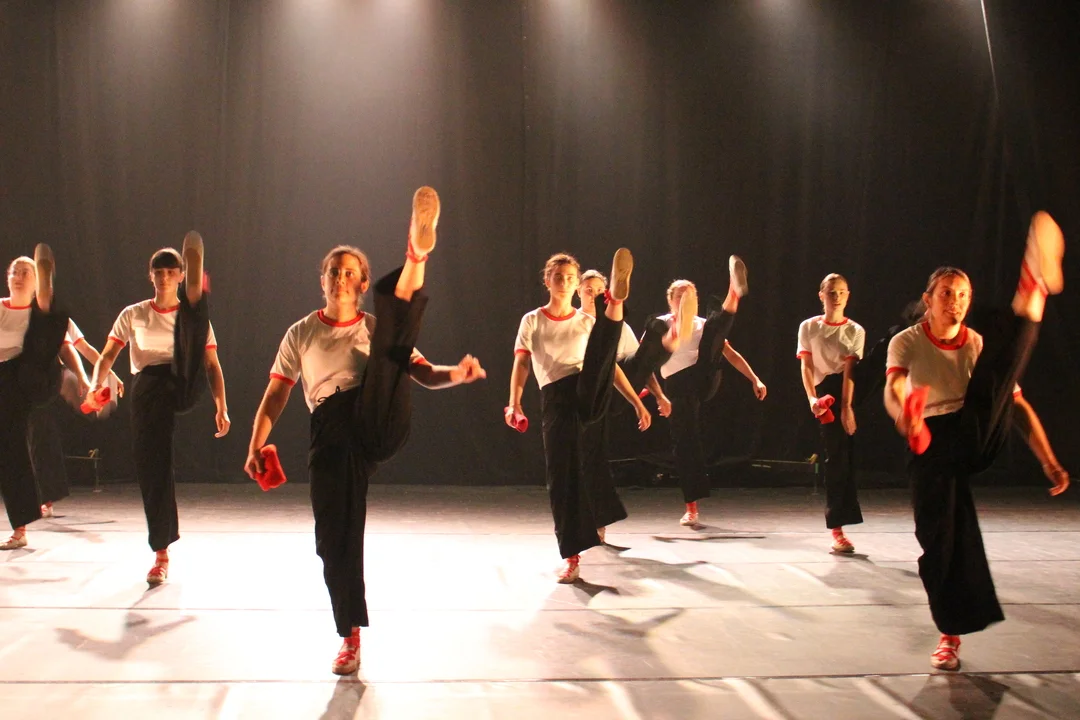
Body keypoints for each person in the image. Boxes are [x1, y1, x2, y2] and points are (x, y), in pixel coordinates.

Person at [244, 187, 486, 676]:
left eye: (350, 273)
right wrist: (256, 442)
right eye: (334, 271)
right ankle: (349, 636)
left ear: (361, 283)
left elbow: (421, 372)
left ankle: (416, 255)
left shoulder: (374, 327)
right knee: (333, 536)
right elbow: (276, 395)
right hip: (329, 429)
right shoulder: (300, 333)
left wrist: (456, 375)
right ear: (322, 281)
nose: (341, 278)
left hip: (376, 411)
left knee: (391, 338)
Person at [884, 211, 1069, 671]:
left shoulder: (976, 344)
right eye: (947, 293)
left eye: (964, 294)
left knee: (995, 370)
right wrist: (908, 417)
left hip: (974, 430)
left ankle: (1031, 294)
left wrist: (1047, 458)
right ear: (928, 299)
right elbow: (894, 388)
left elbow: (1015, 404)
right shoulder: (906, 342)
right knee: (940, 541)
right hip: (929, 444)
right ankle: (949, 635)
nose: (957, 301)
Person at [90, 233, 230, 584]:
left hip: (185, 377)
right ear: (150, 275)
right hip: (150, 385)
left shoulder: (193, 320)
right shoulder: (133, 314)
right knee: (152, 464)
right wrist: (95, 385)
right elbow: (108, 354)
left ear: (181, 276)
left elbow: (212, 365)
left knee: (192, 321)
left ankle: (197, 296)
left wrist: (221, 406)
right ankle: (161, 552)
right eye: (159, 272)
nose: (165, 277)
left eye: (172, 272)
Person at [507, 249, 644, 583]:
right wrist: (514, 403)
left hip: (588, 387)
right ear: (547, 281)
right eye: (558, 277)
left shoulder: (585, 321)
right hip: (556, 398)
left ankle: (616, 301)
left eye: (570, 278)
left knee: (603, 350)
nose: (564, 282)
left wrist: (636, 403)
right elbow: (522, 363)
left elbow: (607, 367)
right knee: (562, 476)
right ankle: (572, 557)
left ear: (576, 284)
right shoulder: (532, 320)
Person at [656, 257, 765, 526]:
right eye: (680, 297)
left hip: (704, 376)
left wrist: (754, 378)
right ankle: (691, 506)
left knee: (715, 327)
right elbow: (645, 361)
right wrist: (656, 394)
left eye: (691, 297)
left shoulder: (704, 324)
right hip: (678, 387)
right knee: (686, 441)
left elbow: (730, 353)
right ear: (670, 301)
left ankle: (733, 292)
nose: (686, 301)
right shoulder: (660, 323)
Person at [1, 246, 70, 550]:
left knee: (44, 320)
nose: (18, 276)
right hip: (4, 378)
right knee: (12, 449)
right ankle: (21, 526)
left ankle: (20, 527)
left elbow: (67, 346)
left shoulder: (39, 314)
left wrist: (81, 378)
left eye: (26, 273)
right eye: (14, 272)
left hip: (32, 375)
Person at [797, 273, 866, 552]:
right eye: (831, 292)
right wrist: (812, 398)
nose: (836, 297)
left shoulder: (855, 330)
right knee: (836, 457)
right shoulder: (808, 327)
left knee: (845, 456)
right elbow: (806, 365)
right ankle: (837, 530)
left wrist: (847, 408)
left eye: (841, 292)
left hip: (847, 387)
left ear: (847, 296)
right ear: (821, 295)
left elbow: (850, 371)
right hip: (823, 389)